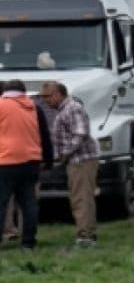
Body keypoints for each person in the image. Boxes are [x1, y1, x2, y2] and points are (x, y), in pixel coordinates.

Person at [41, 81, 99, 247]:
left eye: (48, 96)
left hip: (81, 160)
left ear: (59, 94)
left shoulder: (72, 108)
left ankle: (86, 236)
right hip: (76, 160)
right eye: (43, 97)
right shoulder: (63, 110)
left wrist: (65, 153)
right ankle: (87, 233)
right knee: (79, 196)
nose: (46, 100)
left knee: (81, 198)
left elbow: (80, 133)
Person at [0, 79, 53, 250]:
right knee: (29, 203)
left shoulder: (2, 106)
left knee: (2, 203)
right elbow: (45, 136)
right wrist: (48, 160)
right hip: (31, 161)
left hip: (6, 161)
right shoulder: (34, 107)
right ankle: (29, 242)